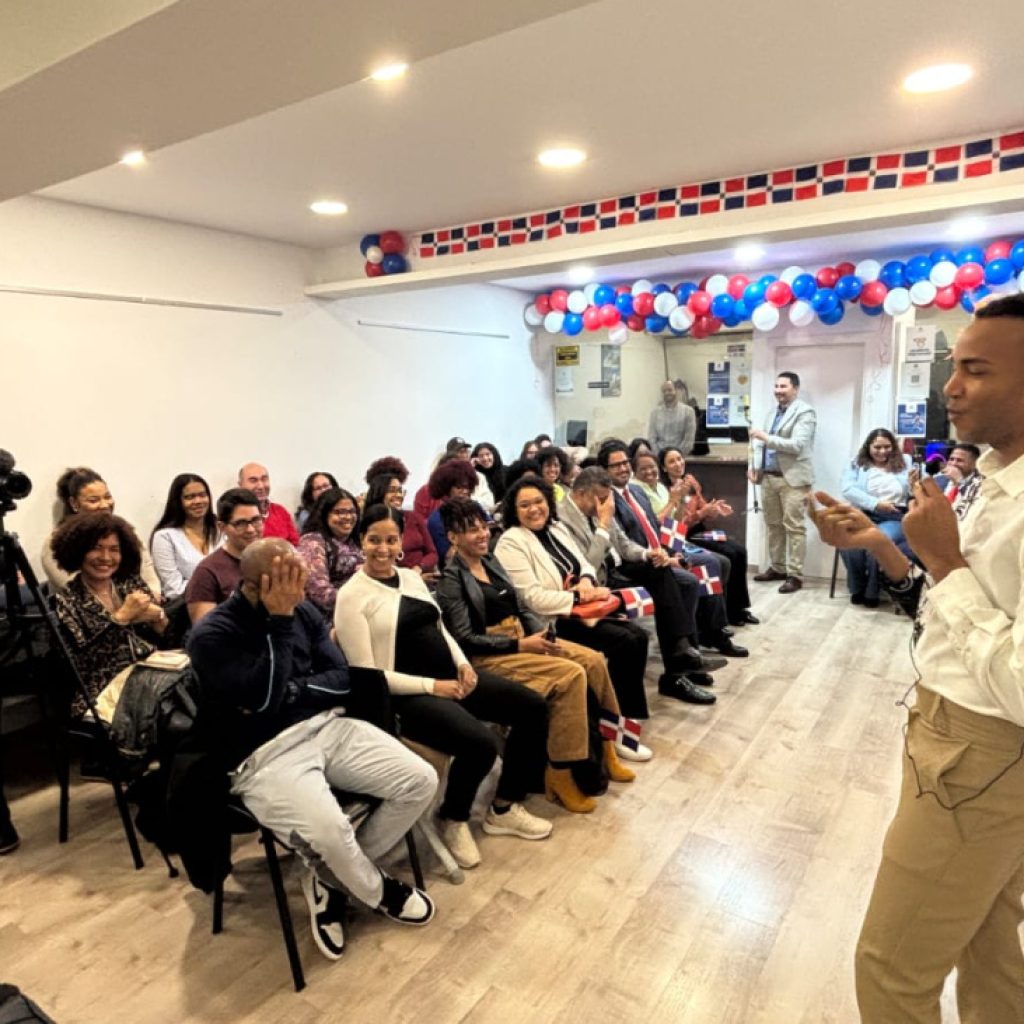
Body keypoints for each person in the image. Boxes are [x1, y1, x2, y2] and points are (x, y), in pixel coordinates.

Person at [808, 293, 1024, 1024]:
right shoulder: (993, 477)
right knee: (988, 940)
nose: (950, 387)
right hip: (959, 738)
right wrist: (880, 544)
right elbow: (953, 604)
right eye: (953, 368)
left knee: (890, 970)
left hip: (984, 752)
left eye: (976, 370)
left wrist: (945, 562)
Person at [187, 538, 437, 957]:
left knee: (419, 779)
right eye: (292, 579)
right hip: (262, 755)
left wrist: (294, 691)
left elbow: (341, 676)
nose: (304, 587)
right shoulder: (213, 634)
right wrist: (280, 625)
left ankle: (330, 878)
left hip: (325, 726)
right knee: (330, 830)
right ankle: (377, 890)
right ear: (258, 585)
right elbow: (263, 699)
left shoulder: (302, 610)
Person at [335, 505, 551, 870]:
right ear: (361, 541)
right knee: (480, 745)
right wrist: (434, 686)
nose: (383, 549)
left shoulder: (410, 578)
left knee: (532, 706)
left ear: (401, 541)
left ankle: (503, 807)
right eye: (374, 540)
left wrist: (464, 665)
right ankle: (454, 817)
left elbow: (440, 629)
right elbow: (368, 676)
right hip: (405, 696)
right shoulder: (352, 596)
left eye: (391, 539)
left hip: (450, 678)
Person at [436, 498, 637, 808]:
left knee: (593, 660)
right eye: (470, 530)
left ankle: (608, 745)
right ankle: (560, 773)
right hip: (493, 653)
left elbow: (520, 605)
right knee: (570, 675)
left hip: (523, 636)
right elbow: (465, 638)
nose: (481, 535)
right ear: (452, 537)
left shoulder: (490, 561)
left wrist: (542, 636)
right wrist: (520, 645)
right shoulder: (452, 580)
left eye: (482, 527)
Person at [558, 466, 726, 705]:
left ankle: (680, 661)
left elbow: (625, 546)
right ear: (584, 494)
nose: (606, 504)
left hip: (620, 567)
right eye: (601, 498)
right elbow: (587, 565)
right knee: (665, 579)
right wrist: (604, 525)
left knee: (672, 575)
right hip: (596, 581)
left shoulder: (603, 505)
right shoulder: (562, 518)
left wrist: (648, 553)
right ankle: (681, 655)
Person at [493, 477, 653, 722]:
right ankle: (615, 723)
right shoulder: (511, 542)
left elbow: (586, 563)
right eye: (524, 505)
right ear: (514, 511)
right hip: (551, 622)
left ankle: (624, 720)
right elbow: (532, 598)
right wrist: (578, 595)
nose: (534, 509)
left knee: (638, 637)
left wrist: (587, 581)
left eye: (539, 501)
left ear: (548, 501)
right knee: (626, 642)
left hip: (583, 611)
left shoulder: (556, 527)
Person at [597, 442, 744, 658]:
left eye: (625, 463)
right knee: (702, 570)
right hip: (638, 561)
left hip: (668, 544)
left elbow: (660, 528)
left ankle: (709, 634)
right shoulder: (608, 499)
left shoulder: (637, 491)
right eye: (616, 465)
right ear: (605, 471)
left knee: (715, 564)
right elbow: (625, 543)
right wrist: (677, 506)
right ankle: (690, 647)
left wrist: (671, 550)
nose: (623, 468)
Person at [51, 512, 169, 718]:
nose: (106, 558)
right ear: (77, 551)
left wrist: (158, 619)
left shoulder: (129, 582)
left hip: (151, 673)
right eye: (96, 548)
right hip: (101, 689)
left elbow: (165, 633)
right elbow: (79, 665)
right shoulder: (65, 601)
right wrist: (121, 618)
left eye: (114, 550)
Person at [657, 448, 758, 627]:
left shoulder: (690, 481)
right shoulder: (666, 491)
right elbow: (677, 524)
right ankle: (727, 613)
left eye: (680, 459)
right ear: (664, 468)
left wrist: (714, 509)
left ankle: (738, 608)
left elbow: (703, 507)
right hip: (686, 535)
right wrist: (702, 513)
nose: (678, 464)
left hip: (700, 529)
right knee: (729, 556)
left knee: (739, 551)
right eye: (672, 462)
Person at [42, 467, 162, 597]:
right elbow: (80, 592)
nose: (105, 505)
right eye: (94, 500)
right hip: (86, 612)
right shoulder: (55, 543)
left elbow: (148, 573)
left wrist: (152, 596)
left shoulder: (126, 532)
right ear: (74, 503)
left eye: (107, 497)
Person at [749, 371, 817, 593]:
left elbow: (797, 445)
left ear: (795, 389)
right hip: (768, 477)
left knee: (794, 527)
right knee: (773, 525)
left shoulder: (805, 412)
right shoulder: (772, 414)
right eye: (776, 386)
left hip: (794, 480)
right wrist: (755, 468)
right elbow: (761, 446)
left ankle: (795, 575)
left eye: (783, 386)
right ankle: (777, 568)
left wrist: (765, 437)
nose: (778, 390)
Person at [838, 428, 914, 608]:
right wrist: (876, 504)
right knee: (847, 542)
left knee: (877, 543)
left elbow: (914, 490)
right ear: (868, 447)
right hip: (864, 513)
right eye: (877, 447)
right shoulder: (857, 463)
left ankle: (872, 592)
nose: (882, 451)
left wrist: (914, 484)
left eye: (887, 447)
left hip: (894, 515)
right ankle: (857, 588)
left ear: (893, 447)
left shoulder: (906, 462)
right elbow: (848, 489)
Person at [185, 489, 263, 624]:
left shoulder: (273, 560)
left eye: (256, 520)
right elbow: (206, 634)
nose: (251, 529)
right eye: (240, 523)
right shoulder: (207, 573)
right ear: (222, 527)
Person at [150, 474, 221, 600]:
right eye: (190, 497)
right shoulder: (165, 537)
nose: (198, 501)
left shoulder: (221, 529)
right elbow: (174, 589)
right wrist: (217, 586)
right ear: (178, 502)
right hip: (188, 608)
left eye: (202, 495)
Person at [297, 487, 364, 618]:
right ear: (324, 514)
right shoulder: (312, 542)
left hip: (360, 609)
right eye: (339, 512)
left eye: (352, 511)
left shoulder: (356, 541)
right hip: (328, 617)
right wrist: (363, 601)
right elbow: (320, 593)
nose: (347, 517)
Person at [365, 473, 438, 577]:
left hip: (421, 575)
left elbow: (432, 554)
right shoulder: (371, 522)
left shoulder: (413, 517)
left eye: (400, 491)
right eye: (392, 490)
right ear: (379, 493)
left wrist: (419, 568)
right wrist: (409, 578)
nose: (399, 495)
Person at [425, 460, 479, 565]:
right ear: (446, 489)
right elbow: (449, 556)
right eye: (459, 487)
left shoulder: (476, 507)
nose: (465, 491)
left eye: (468, 487)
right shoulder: (436, 520)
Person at [238, 462, 299, 545]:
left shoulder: (280, 511)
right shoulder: (236, 514)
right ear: (240, 485)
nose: (260, 486)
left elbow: (296, 545)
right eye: (253, 480)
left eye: (264, 479)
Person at [648, 380, 696, 456]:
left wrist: (675, 457)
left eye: (670, 390)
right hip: (660, 459)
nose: (667, 393)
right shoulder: (655, 413)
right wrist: (660, 457)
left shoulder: (689, 412)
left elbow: (688, 442)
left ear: (676, 391)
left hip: (680, 459)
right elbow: (652, 439)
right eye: (664, 391)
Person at [941, 442, 983, 519]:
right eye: (951, 459)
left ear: (974, 464)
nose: (953, 463)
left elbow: (972, 513)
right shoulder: (939, 480)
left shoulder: (981, 484)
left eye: (959, 460)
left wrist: (960, 482)